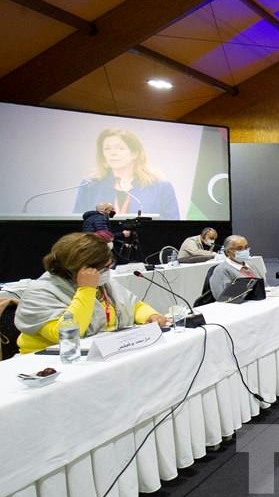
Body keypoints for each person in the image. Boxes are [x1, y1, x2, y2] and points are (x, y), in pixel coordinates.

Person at [15, 232, 168, 353]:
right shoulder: (40, 292)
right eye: (104, 268)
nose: (107, 272)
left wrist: (150, 316)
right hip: (48, 362)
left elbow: (133, 306)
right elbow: (66, 335)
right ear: (79, 268)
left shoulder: (103, 283)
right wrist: (86, 290)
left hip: (100, 353)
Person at [73, 128, 179, 220]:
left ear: (135, 153)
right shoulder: (90, 186)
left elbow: (172, 225)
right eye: (107, 148)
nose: (113, 153)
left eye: (120, 148)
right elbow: (77, 224)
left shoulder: (160, 187)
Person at [209, 235, 264, 301]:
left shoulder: (250, 264)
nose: (244, 251)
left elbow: (263, 286)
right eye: (239, 249)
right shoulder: (221, 270)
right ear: (228, 252)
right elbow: (222, 298)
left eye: (246, 247)